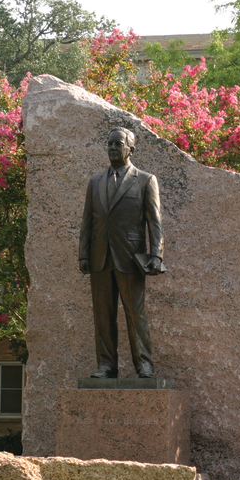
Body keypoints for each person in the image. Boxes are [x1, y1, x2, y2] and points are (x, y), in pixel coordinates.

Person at [79, 127, 164, 379]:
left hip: (130, 258)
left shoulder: (145, 180)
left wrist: (156, 255)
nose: (113, 148)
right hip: (99, 257)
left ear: (131, 149)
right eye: (109, 144)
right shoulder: (94, 182)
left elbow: (155, 221)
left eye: (118, 144)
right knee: (103, 315)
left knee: (134, 314)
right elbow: (88, 221)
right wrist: (83, 254)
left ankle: (144, 364)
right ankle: (107, 365)